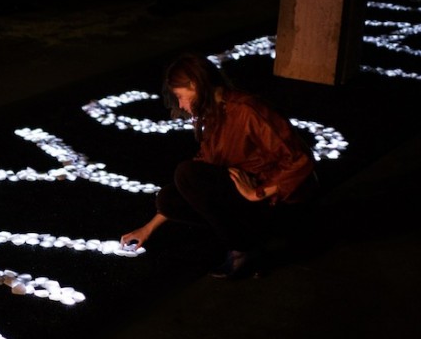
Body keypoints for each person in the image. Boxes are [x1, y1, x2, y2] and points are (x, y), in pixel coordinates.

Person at [120, 52, 318, 279]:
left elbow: (300, 159)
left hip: (280, 203)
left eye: (181, 97)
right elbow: (204, 165)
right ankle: (242, 234)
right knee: (169, 199)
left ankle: (244, 249)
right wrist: (148, 228)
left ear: (194, 84)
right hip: (247, 193)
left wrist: (258, 192)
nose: (181, 106)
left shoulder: (247, 110)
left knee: (186, 174)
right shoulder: (214, 115)